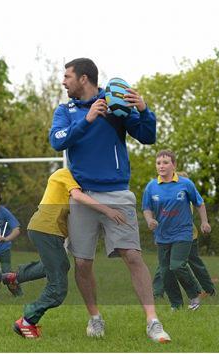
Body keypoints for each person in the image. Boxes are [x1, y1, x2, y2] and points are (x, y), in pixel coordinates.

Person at [49, 58, 170, 343]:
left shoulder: (115, 101)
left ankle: (153, 321)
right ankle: (95, 318)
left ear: (84, 78)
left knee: (133, 256)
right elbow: (57, 140)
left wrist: (143, 109)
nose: (63, 81)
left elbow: (148, 136)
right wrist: (88, 119)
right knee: (82, 263)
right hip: (82, 196)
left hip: (117, 192)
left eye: (67, 76)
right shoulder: (65, 110)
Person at [2, 168, 127, 338]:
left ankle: (15, 277)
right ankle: (27, 321)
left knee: (61, 265)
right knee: (57, 289)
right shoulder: (64, 173)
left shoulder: (78, 179)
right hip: (45, 229)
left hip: (46, 230)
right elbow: (77, 196)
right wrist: (108, 210)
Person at [142, 151, 211, 311]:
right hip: (162, 235)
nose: (161, 166)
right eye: (158, 163)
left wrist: (204, 222)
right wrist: (150, 220)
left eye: (165, 162)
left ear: (174, 165)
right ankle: (176, 304)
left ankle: (194, 295)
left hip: (183, 233)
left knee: (177, 265)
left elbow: (199, 203)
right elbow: (146, 208)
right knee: (165, 272)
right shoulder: (151, 186)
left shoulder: (185, 184)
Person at [152, 171, 216, 300]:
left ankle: (207, 289)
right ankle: (158, 292)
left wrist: (204, 222)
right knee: (165, 265)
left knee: (191, 263)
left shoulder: (185, 199)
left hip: (187, 236)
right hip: (172, 236)